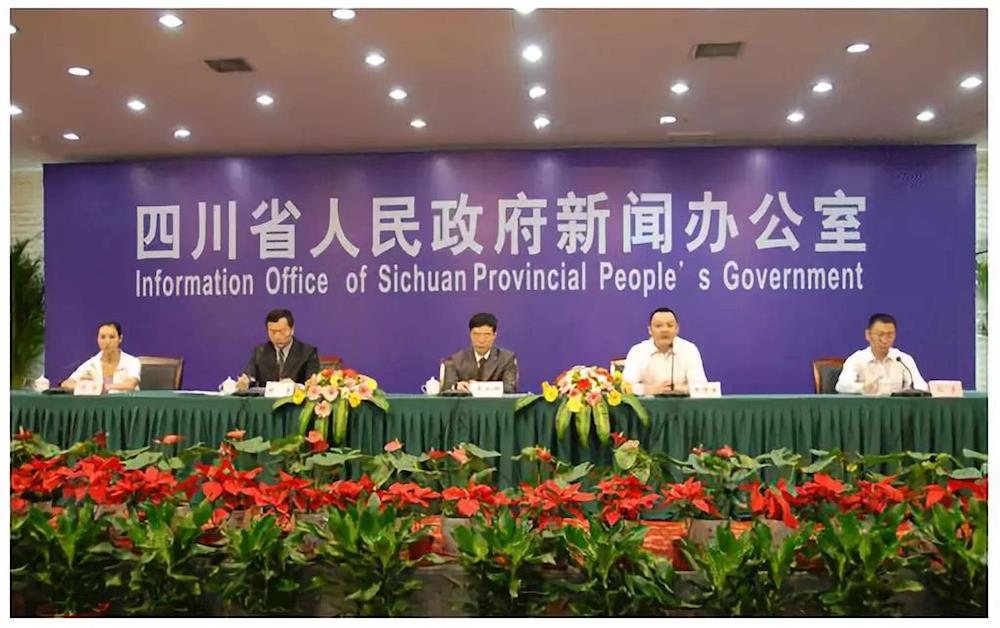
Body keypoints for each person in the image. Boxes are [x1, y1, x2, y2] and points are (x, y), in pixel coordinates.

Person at [622, 307, 707, 395]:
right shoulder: (638, 351)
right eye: (658, 326)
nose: (664, 330)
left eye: (670, 325)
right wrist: (651, 389)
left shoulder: (689, 349)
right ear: (650, 330)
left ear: (677, 329)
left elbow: (701, 387)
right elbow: (625, 386)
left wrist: (678, 388)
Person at [836, 313, 927, 394]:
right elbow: (841, 386)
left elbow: (921, 385)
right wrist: (863, 388)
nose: (884, 340)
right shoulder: (857, 359)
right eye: (880, 334)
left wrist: (911, 391)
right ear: (868, 335)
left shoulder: (902, 359)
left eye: (890, 335)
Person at [236, 308, 320, 389]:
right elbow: (250, 374)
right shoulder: (260, 351)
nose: (277, 337)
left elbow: (311, 384)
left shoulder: (308, 352)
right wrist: (246, 381)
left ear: (292, 329)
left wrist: (296, 386)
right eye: (272, 332)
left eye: (281, 331)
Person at [442, 312, 518, 393]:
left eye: (487, 335)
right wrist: (456, 386)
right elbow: (447, 388)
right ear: (470, 335)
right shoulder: (456, 360)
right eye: (476, 334)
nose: (481, 340)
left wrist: (477, 387)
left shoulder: (507, 359)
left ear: (494, 335)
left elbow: (509, 388)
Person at [61, 321, 141, 392]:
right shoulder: (92, 364)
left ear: (120, 339)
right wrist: (87, 387)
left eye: (112, 337)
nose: (107, 341)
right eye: (103, 337)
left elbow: (130, 384)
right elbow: (66, 383)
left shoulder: (132, 362)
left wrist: (103, 387)